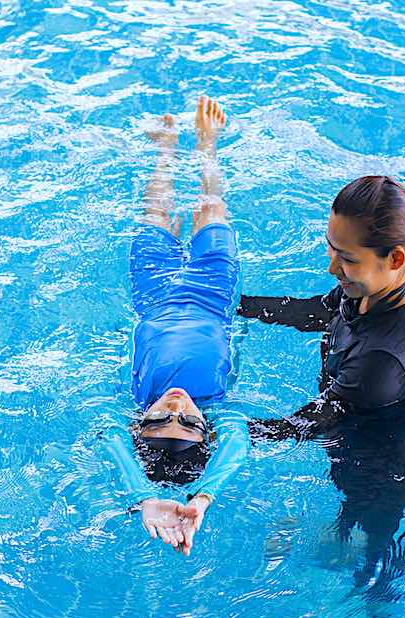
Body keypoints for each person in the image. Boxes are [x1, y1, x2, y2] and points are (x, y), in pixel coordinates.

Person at [238, 175, 405, 582]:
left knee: (373, 553)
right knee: (340, 537)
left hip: (381, 467)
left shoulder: (383, 362)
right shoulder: (377, 287)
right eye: (332, 250)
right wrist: (234, 306)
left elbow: (313, 421)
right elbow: (317, 312)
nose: (332, 268)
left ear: (396, 258)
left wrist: (224, 435)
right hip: (358, 417)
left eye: (347, 259)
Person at [104, 96, 249, 557]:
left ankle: (165, 149)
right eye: (187, 422)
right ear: (207, 430)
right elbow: (238, 446)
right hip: (213, 295)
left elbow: (114, 445)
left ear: (139, 425)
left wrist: (143, 496)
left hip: (153, 294)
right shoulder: (219, 406)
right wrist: (204, 495)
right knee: (211, 208)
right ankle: (208, 145)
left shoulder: (131, 404)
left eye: (162, 419)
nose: (176, 405)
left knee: (157, 215)